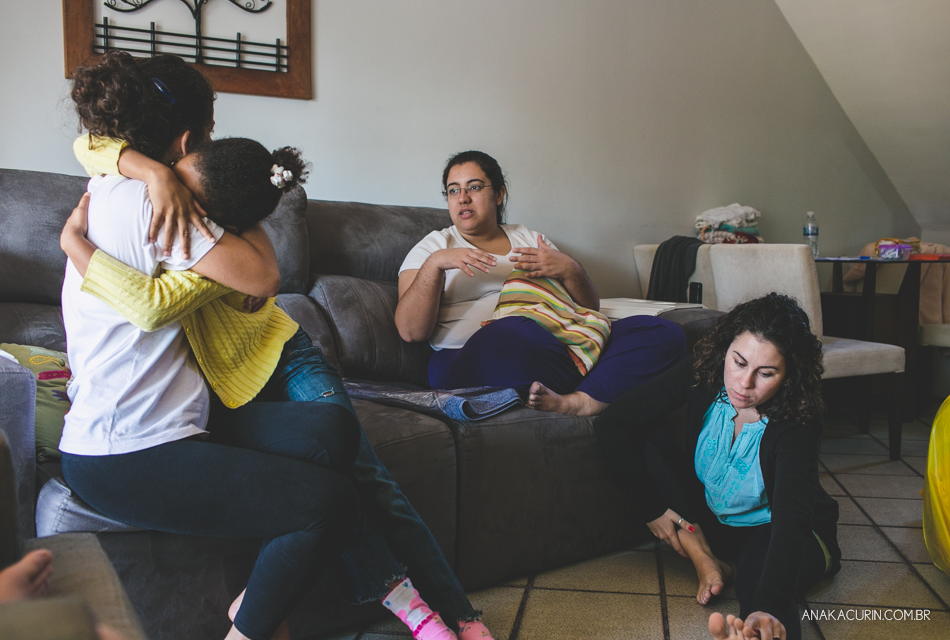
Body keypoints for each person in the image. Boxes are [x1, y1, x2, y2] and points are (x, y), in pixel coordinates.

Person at [66, 50, 493, 640]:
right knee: (332, 498)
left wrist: (134, 187)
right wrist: (158, 179)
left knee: (335, 433)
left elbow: (99, 155)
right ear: (188, 138)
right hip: (132, 449)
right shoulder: (159, 202)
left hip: (198, 408)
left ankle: (416, 605)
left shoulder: (126, 182)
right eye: (207, 136)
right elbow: (252, 281)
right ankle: (264, 627)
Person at [593, 293, 842, 640]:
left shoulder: (798, 420)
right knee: (640, 437)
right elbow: (614, 423)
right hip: (714, 517)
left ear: (789, 376)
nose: (744, 383)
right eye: (739, 362)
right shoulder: (705, 371)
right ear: (726, 350)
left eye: (766, 373)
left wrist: (766, 608)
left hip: (778, 530)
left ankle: (753, 626)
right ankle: (708, 555)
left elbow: (792, 519)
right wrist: (651, 508)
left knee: (759, 589)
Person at [395, 150, 686, 416]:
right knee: (512, 329)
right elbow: (410, 331)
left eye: (474, 187)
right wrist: (436, 264)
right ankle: (602, 380)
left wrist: (571, 270)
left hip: (560, 346)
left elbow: (588, 309)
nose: (463, 198)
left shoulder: (530, 239)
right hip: (472, 356)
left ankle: (578, 401)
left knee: (662, 332)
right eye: (453, 190)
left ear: (499, 194)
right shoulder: (433, 247)